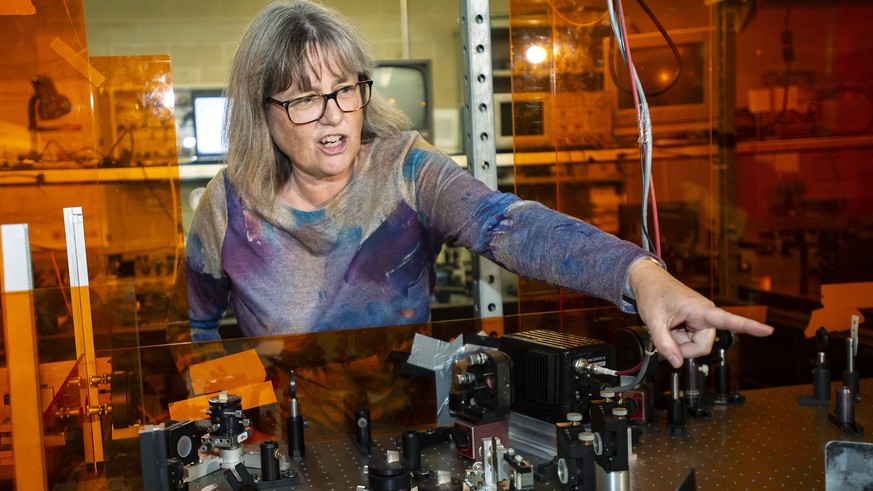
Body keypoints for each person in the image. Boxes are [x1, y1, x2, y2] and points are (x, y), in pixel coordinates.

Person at [185, 0, 773, 369]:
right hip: (278, 442)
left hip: (402, 428)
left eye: (345, 89)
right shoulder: (228, 206)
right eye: (307, 100)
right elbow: (194, 327)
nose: (336, 114)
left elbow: (508, 224)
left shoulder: (405, 170)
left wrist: (642, 276)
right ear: (263, 112)